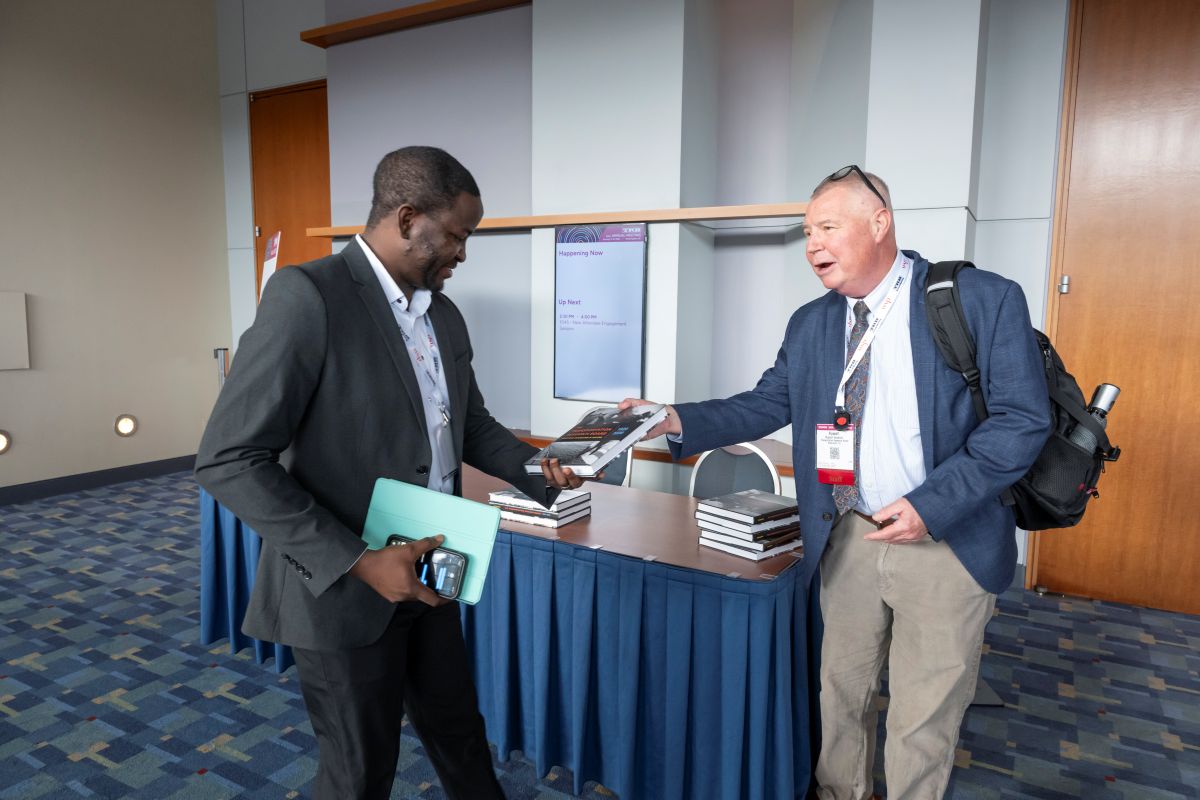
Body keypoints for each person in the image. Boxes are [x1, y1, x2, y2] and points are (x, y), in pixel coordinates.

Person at [623, 166, 1051, 800]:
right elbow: (766, 402)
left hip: (946, 542)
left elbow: (1022, 421)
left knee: (921, 714)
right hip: (846, 538)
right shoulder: (813, 322)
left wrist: (931, 506)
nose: (812, 245)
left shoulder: (979, 299)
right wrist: (674, 417)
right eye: (806, 232)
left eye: (827, 227)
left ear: (880, 223)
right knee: (839, 695)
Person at [195, 146, 582, 800]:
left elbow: (471, 426)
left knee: (461, 736)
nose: (463, 252)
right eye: (457, 234)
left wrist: (542, 470)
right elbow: (228, 458)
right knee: (359, 773)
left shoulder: (445, 315)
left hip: (431, 566)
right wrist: (359, 560)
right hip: (343, 588)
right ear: (406, 219)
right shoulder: (308, 296)